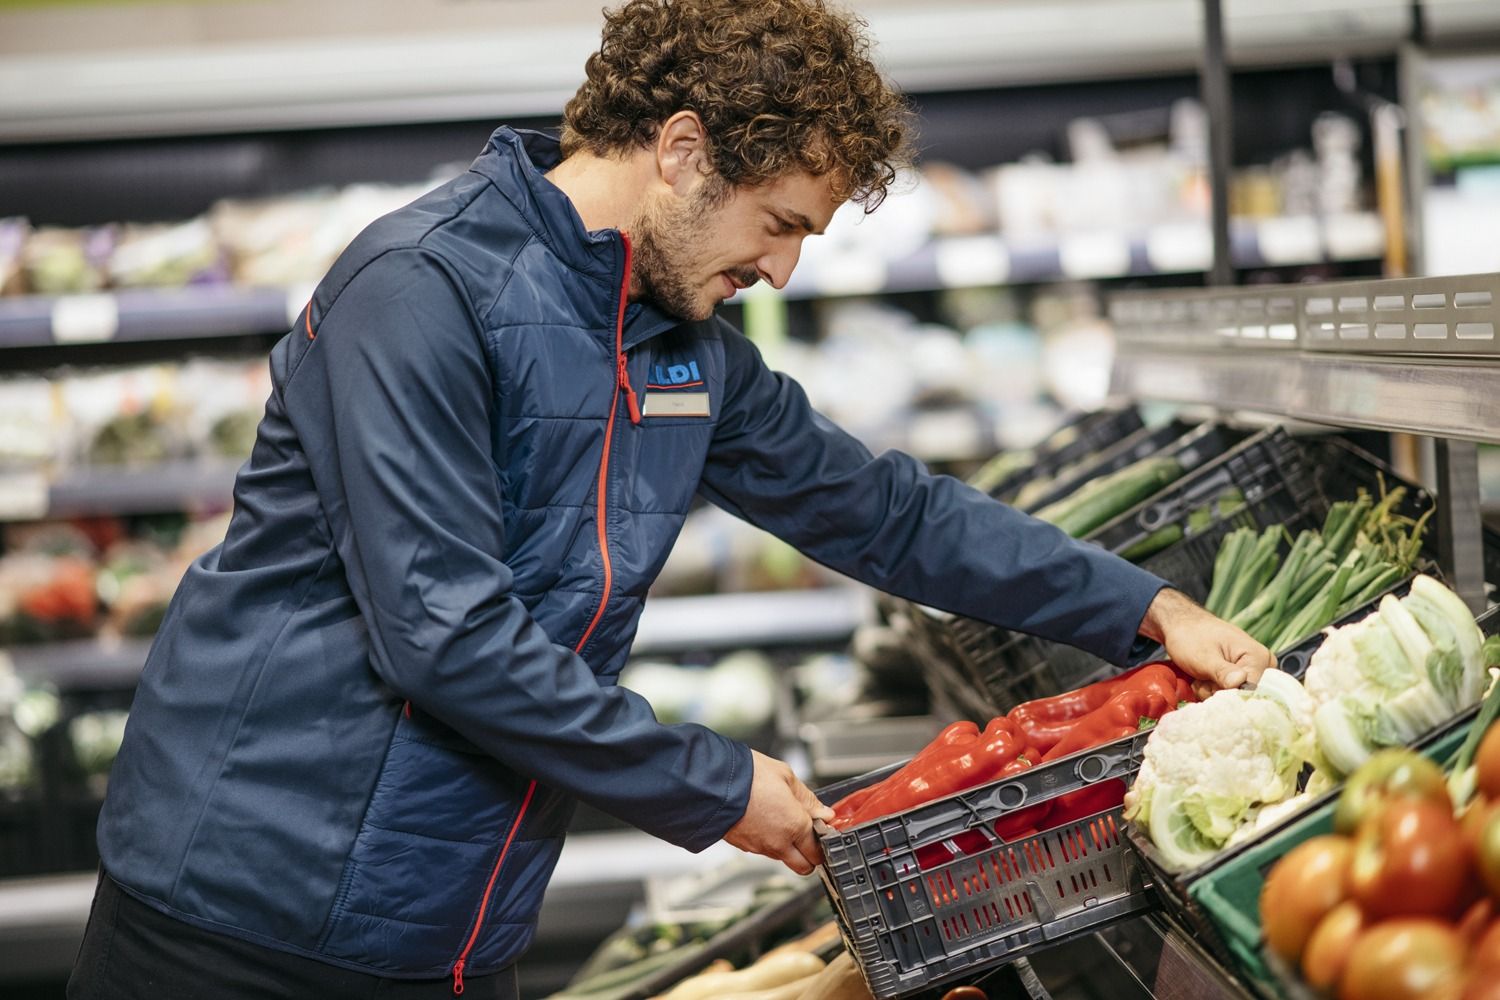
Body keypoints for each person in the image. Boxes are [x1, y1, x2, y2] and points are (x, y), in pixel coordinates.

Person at [69, 1, 1274, 997]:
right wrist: (715, 783)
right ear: (687, 150)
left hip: (451, 926)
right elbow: (442, 631)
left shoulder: (683, 343)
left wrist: (1145, 606)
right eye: (780, 223)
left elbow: (888, 512)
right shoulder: (417, 289)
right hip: (237, 919)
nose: (782, 267)